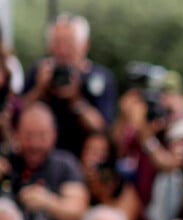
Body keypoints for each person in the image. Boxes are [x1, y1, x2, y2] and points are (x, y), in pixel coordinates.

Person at [0, 102, 89, 220]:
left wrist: (48, 202)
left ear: (54, 135)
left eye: (41, 136)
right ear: (17, 134)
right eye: (28, 136)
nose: (34, 144)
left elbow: (79, 211)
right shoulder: (6, 161)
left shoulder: (65, 165)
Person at [21, 12, 117, 157]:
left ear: (85, 45)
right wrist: (39, 90)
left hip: (83, 161)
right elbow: (18, 114)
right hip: (43, 160)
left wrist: (76, 100)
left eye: (69, 43)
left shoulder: (100, 78)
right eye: (57, 43)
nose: (62, 50)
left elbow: (102, 128)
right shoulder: (39, 72)